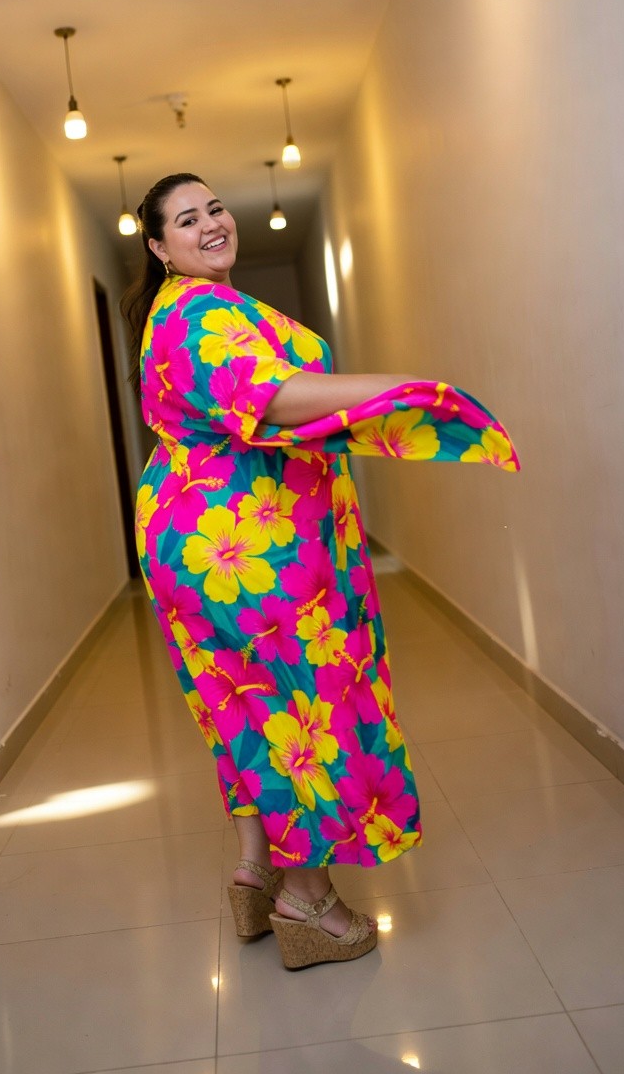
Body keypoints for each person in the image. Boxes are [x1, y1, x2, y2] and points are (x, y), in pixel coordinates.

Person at [121, 173, 518, 970]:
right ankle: (308, 899)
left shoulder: (183, 312)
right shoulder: (199, 312)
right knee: (300, 713)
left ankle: (254, 871)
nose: (212, 226)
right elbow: (278, 396)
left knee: (246, 709)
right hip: (246, 547)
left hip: (208, 534)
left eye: (216, 209)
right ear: (160, 249)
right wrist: (407, 390)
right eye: (187, 220)